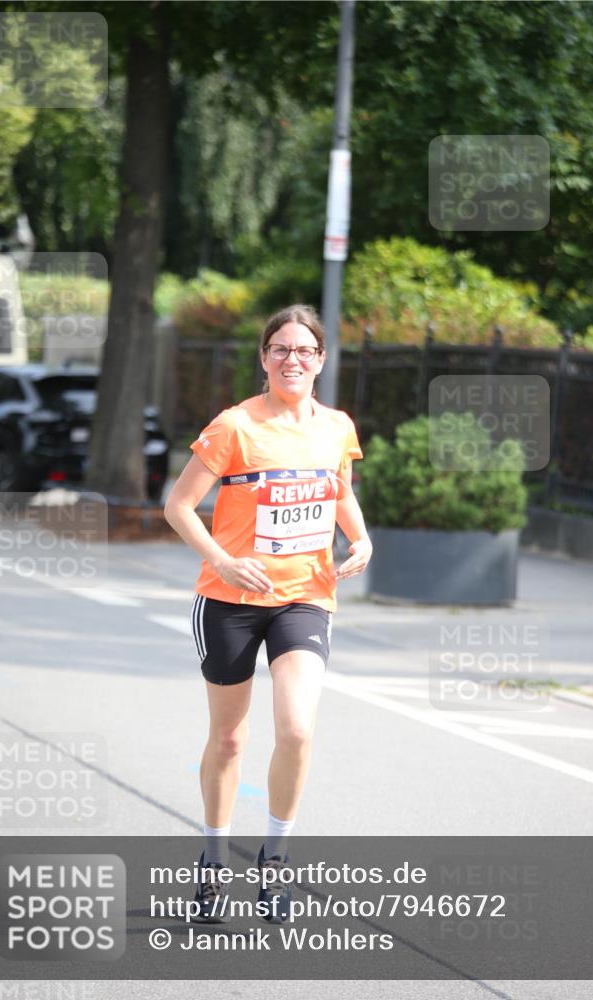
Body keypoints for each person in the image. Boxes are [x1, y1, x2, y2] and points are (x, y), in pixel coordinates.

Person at [163, 304, 372, 924]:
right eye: (280, 349)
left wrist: (361, 537)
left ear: (321, 360)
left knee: (297, 729)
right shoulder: (234, 426)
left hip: (305, 594)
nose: (292, 360)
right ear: (264, 357)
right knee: (229, 738)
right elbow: (178, 506)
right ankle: (212, 861)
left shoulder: (336, 427)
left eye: (304, 350)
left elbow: (338, 490)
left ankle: (274, 859)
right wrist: (223, 562)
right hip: (229, 599)